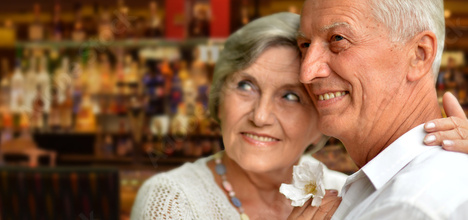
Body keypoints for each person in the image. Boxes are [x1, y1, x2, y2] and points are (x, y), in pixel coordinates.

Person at [131, 13, 468, 219]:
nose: (261, 116)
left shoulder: (350, 194)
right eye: (246, 86)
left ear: (320, 123)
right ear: (219, 98)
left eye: (290, 96)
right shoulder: (172, 200)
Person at [293, 0, 468, 219]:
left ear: (419, 55)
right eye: (304, 44)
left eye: (338, 39)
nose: (307, 72)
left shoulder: (409, 205)